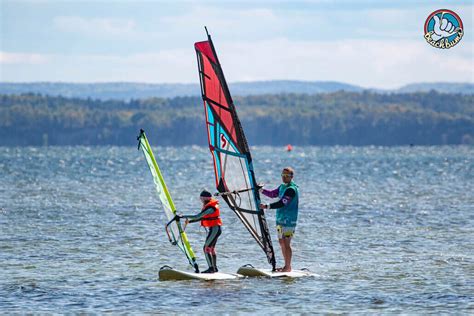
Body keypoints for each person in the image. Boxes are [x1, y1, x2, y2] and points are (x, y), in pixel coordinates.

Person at [259, 167, 299, 272]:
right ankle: (286, 265)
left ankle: (288, 267)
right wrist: (261, 190)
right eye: (283, 175)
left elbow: (282, 203)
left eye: (287, 176)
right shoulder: (282, 186)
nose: (284, 178)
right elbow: (272, 194)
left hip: (289, 220)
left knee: (287, 243)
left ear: (291, 177)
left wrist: (266, 206)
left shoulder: (291, 189)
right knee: (281, 242)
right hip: (280, 219)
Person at [181, 190, 222, 273]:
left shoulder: (210, 208)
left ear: (204, 198)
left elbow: (197, 216)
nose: (201, 200)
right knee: (211, 248)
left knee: (206, 248)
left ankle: (211, 268)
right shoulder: (209, 205)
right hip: (216, 229)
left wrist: (182, 216)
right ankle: (214, 268)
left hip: (215, 229)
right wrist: (189, 221)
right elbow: (202, 218)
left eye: (201, 198)